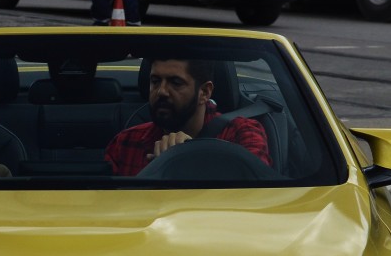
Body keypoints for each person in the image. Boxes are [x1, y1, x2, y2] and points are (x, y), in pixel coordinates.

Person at [105, 58, 271, 176]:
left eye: (175, 83)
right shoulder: (127, 142)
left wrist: (190, 158)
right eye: (155, 81)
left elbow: (257, 196)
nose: (161, 91)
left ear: (204, 92)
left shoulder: (242, 134)